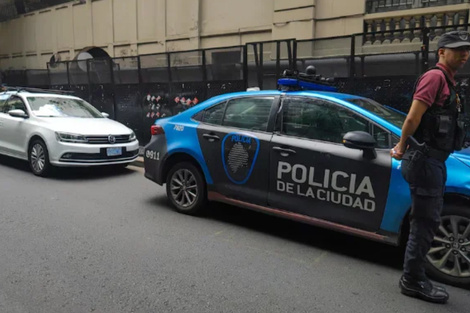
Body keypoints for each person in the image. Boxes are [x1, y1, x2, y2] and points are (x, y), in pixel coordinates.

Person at [391, 30, 470, 304]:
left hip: (434, 161)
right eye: (457, 49)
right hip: (425, 161)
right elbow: (413, 118)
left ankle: (415, 273)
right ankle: (412, 280)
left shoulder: (448, 81)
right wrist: (401, 147)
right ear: (441, 52)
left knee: (428, 220)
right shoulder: (435, 77)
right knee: (425, 223)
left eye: (467, 49)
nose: (464, 54)